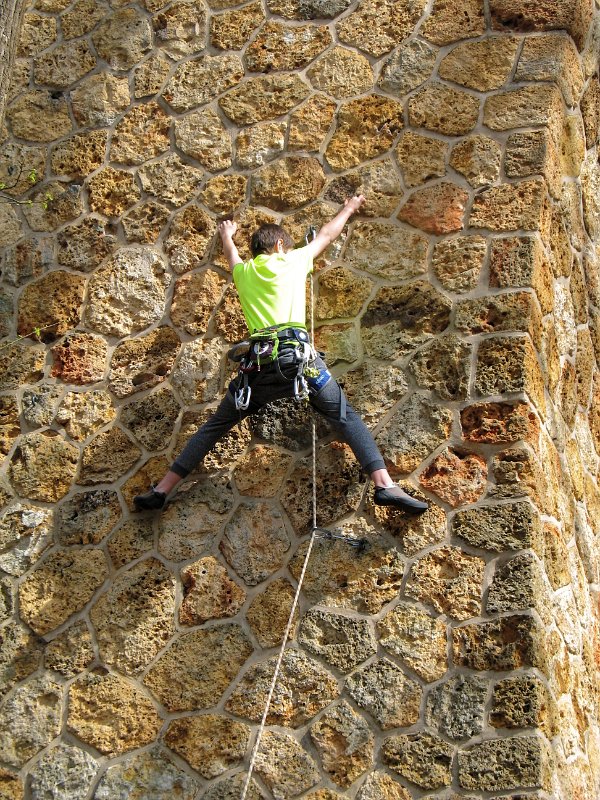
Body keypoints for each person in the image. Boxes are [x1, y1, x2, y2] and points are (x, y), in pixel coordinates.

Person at [134, 195, 428, 515]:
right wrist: (349, 207)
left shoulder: (244, 273)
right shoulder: (291, 260)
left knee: (213, 427)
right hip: (299, 363)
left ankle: (162, 489)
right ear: (278, 247)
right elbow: (328, 234)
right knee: (345, 416)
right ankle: (385, 484)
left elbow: (232, 257)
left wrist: (226, 236)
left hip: (256, 371)